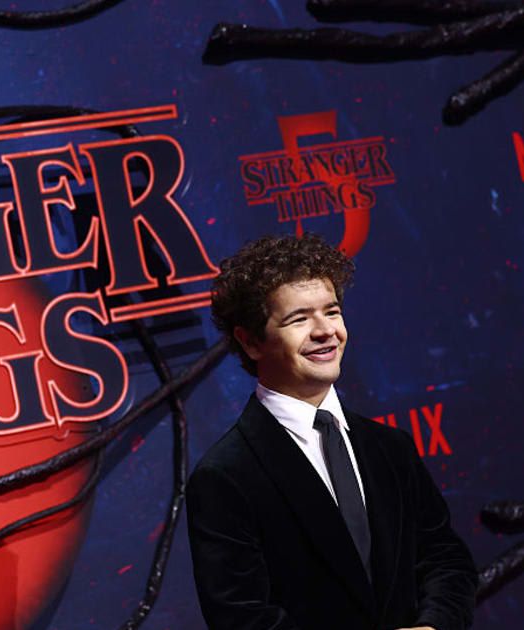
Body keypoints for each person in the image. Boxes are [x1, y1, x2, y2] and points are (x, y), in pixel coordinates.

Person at [186, 233, 477, 630]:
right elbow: (243, 618)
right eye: (299, 318)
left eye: (332, 311)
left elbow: (445, 559)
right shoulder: (224, 477)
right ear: (251, 342)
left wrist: (431, 627)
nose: (325, 331)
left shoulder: (390, 447)